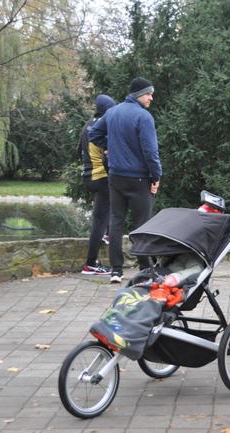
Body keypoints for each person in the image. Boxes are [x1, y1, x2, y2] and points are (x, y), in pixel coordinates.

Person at [89, 78, 162, 284]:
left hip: (116, 177)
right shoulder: (144, 117)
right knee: (142, 225)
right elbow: (150, 151)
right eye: (149, 94)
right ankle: (146, 270)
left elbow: (93, 133)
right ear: (139, 94)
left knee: (116, 221)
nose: (151, 97)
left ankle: (116, 271)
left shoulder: (112, 112)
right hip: (139, 178)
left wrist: (108, 146)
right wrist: (156, 175)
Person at [79, 94, 116, 275]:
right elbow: (109, 155)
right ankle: (90, 264)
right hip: (101, 177)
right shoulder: (104, 127)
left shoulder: (88, 125)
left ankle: (108, 234)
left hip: (89, 175)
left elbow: (79, 151)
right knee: (99, 221)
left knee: (103, 215)